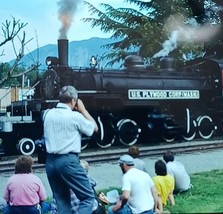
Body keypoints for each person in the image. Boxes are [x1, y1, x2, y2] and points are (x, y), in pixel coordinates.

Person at [43, 85, 98, 214]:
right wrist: (83, 110)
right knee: (88, 197)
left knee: (62, 201)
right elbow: (94, 128)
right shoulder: (75, 117)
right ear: (74, 101)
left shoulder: (47, 114)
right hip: (68, 161)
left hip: (50, 162)